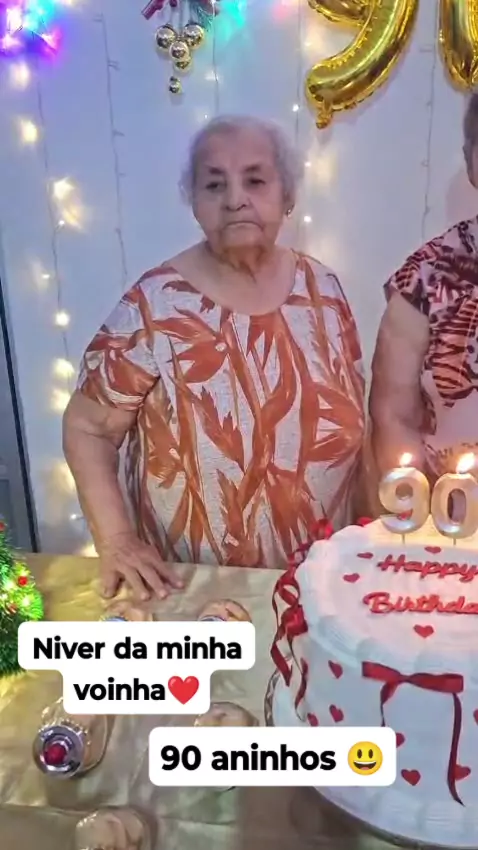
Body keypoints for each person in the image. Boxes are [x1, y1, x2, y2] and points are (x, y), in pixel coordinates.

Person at [63, 115, 365, 601]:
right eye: (215, 184)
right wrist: (116, 540)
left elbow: (354, 426)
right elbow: (88, 427)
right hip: (195, 590)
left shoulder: (323, 290)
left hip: (319, 588)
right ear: (195, 203)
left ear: (287, 195)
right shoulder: (156, 304)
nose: (235, 199)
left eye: (255, 180)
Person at [370, 93, 478, 487]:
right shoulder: (425, 275)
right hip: (453, 513)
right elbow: (393, 417)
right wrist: (418, 515)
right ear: (470, 161)